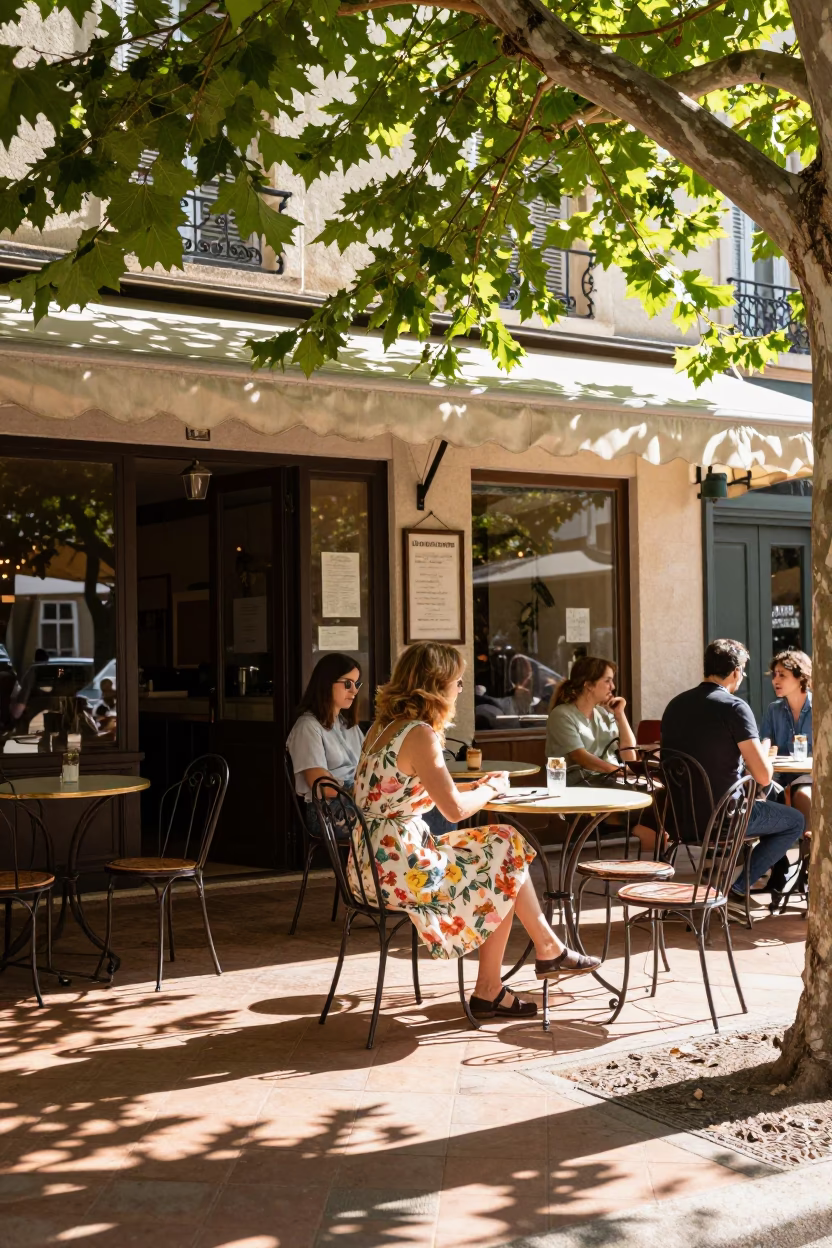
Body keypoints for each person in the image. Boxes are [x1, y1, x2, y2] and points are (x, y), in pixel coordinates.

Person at [350, 641, 599, 1020]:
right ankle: (517, 970)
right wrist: (490, 789)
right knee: (504, 858)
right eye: (458, 681)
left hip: (367, 864)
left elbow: (405, 789)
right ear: (437, 684)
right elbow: (453, 810)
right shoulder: (420, 734)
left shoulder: (382, 729)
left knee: (502, 848)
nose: (461, 689)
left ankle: (529, 962)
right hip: (400, 871)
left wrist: (475, 785)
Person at [661, 638, 804, 917]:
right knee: (795, 821)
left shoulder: (675, 705)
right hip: (724, 820)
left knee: (774, 795)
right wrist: (765, 754)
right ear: (736, 671)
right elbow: (763, 776)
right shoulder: (734, 707)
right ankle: (737, 889)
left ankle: (765, 875)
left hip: (678, 819)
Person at [546, 655, 657, 855]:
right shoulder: (562, 715)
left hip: (609, 779)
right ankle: (644, 840)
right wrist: (619, 771)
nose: (612, 687)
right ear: (588, 685)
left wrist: (620, 715)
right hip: (579, 782)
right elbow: (580, 757)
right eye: (607, 680)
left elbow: (629, 756)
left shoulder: (603, 714)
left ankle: (647, 840)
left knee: (659, 790)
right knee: (639, 797)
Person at [286, 652, 365, 834]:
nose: (354, 691)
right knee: (389, 821)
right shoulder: (307, 727)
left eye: (357, 684)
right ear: (327, 683)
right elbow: (321, 785)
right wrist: (366, 790)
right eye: (348, 684)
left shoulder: (348, 725)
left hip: (358, 800)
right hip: (327, 811)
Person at [759, 649, 812, 829]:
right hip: (780, 776)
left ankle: (808, 843)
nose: (775, 680)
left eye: (782, 675)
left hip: (811, 776)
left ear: (800, 677)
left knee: (803, 794)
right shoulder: (773, 709)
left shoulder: (820, 708)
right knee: (759, 794)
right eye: (774, 675)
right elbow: (765, 741)